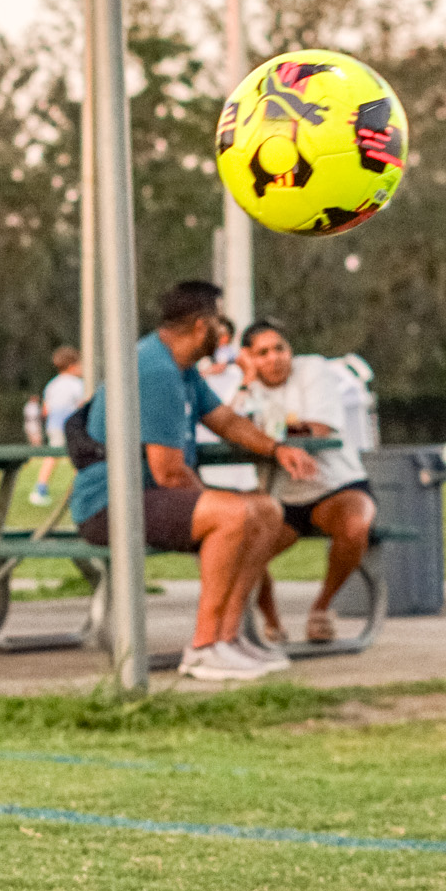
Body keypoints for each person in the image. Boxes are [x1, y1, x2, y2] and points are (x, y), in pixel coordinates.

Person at [69, 279, 319, 683]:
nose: (224, 331)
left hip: (149, 496)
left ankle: (228, 639)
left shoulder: (181, 369)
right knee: (235, 516)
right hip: (110, 505)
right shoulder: (155, 370)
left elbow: (226, 421)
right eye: (219, 322)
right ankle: (203, 648)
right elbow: (168, 472)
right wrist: (227, 508)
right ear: (202, 326)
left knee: (267, 510)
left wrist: (276, 449)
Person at [238, 319, 376, 644]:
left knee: (355, 526)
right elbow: (231, 427)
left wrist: (266, 436)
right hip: (280, 496)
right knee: (240, 545)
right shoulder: (245, 387)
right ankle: (272, 623)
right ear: (248, 358)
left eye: (279, 348)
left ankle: (321, 608)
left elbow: (319, 427)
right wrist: (245, 382)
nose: (274, 358)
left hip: (334, 485)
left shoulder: (313, 369)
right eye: (262, 353)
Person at [195, 320, 259, 492]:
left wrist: (248, 377)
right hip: (205, 459)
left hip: (235, 462)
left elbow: (232, 417)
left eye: (223, 335)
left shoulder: (238, 374)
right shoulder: (195, 372)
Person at [30, 347, 83, 507]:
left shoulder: (52, 385)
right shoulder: (77, 385)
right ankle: (79, 490)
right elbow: (82, 405)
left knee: (52, 456)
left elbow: (46, 410)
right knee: (79, 457)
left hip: (54, 426)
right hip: (72, 427)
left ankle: (40, 489)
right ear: (72, 366)